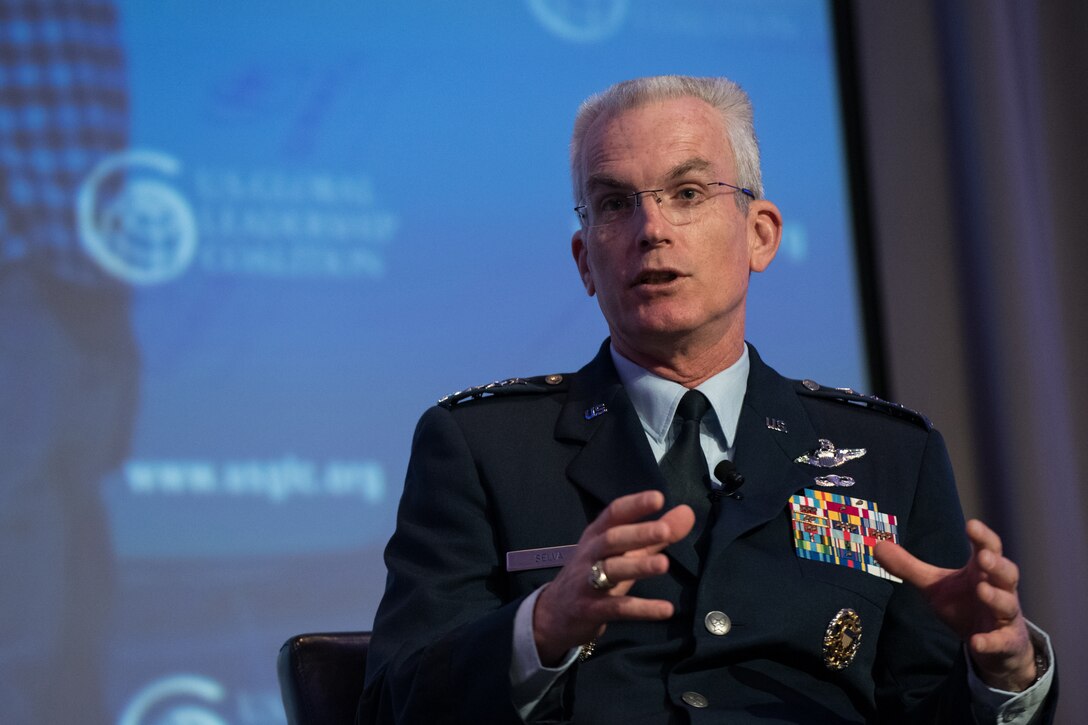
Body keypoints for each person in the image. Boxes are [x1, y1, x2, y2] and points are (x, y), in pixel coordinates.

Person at [360, 76, 1056, 724]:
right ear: (585, 262)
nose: (651, 229)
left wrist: (1001, 672)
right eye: (614, 204)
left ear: (760, 234)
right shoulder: (483, 448)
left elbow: (926, 707)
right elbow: (391, 698)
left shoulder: (893, 458)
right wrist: (539, 626)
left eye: (687, 193)